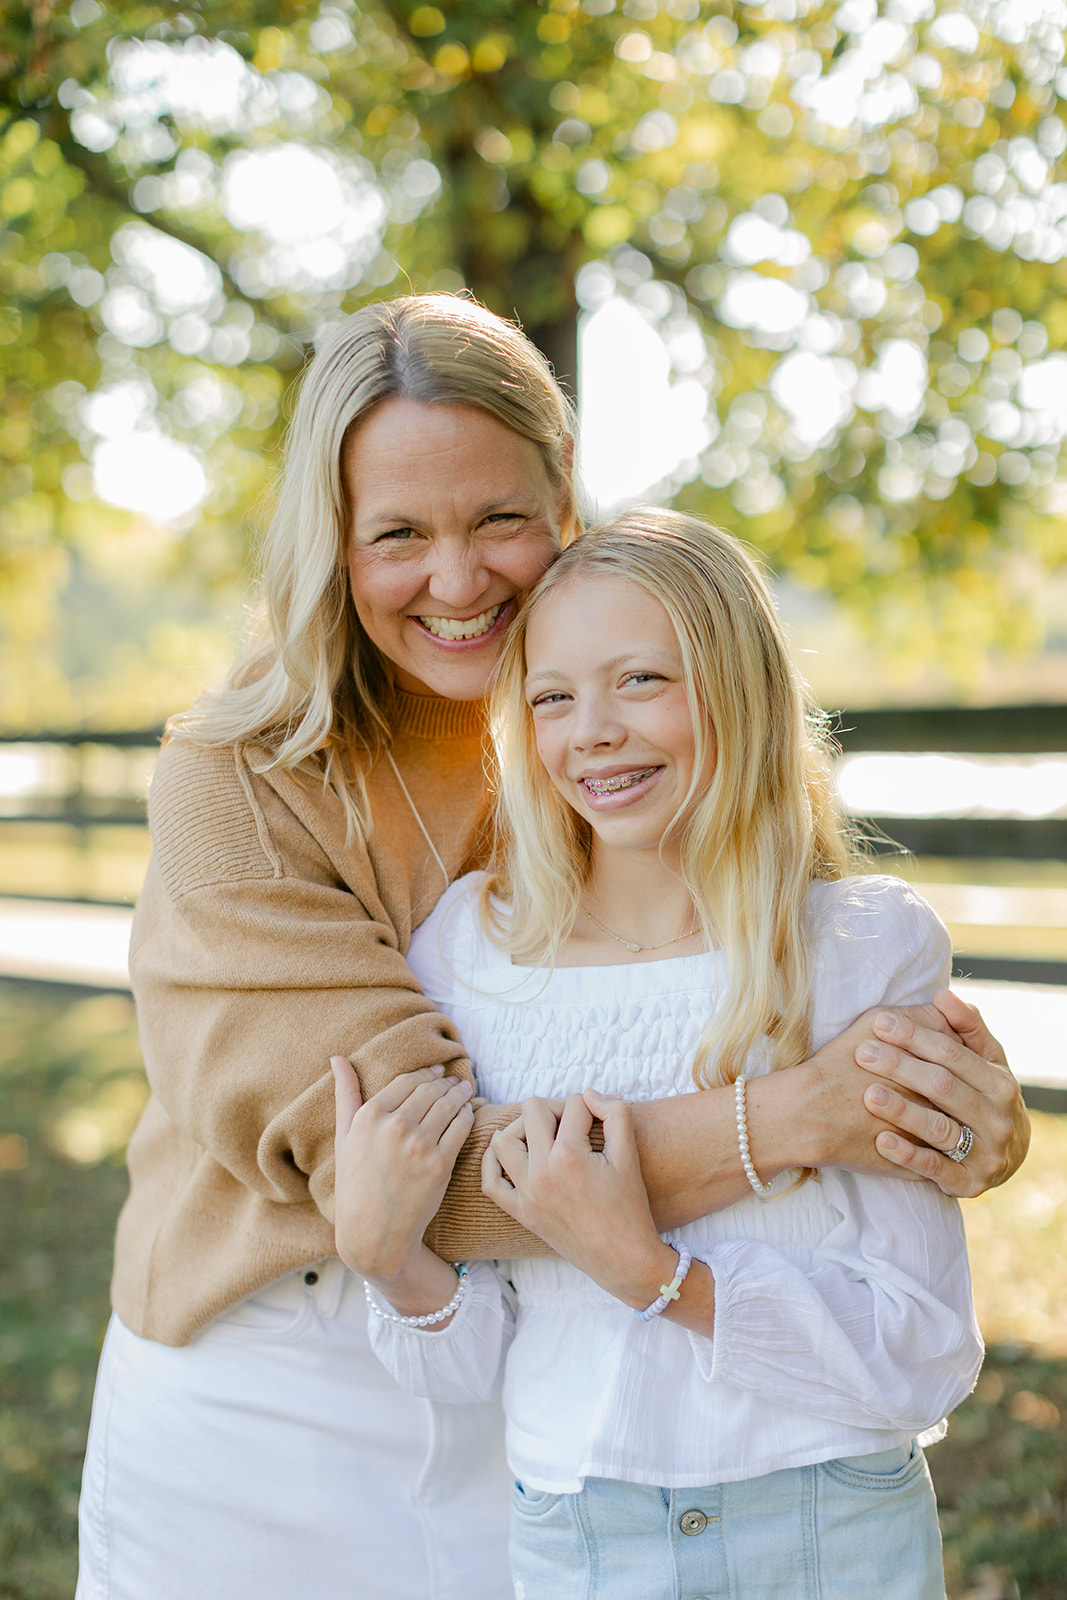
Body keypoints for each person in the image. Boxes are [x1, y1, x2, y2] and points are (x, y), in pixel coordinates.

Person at [76, 294, 1024, 1600]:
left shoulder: (609, 731)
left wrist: (947, 1115)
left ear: (560, 500)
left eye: (497, 521)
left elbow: (804, 979)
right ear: (330, 542)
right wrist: (803, 1115)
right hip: (273, 1393)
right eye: (396, 534)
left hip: (546, 1408)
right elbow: (437, 1178)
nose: (456, 581)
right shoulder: (237, 782)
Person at [337, 510, 986, 1600]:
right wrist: (388, 1258)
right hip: (579, 1535)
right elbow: (466, 1366)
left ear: (733, 687)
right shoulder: (471, 955)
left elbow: (920, 1351)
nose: (589, 730)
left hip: (826, 1519)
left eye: (639, 680)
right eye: (551, 696)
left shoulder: (857, 948)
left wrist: (656, 1275)